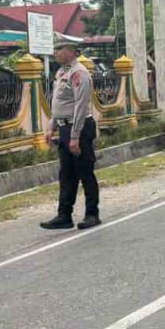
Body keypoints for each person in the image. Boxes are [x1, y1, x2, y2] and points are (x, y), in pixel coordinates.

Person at [41, 42, 100, 231]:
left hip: (79, 128)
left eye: (60, 49)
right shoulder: (61, 73)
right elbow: (57, 103)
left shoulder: (79, 73)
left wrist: (75, 136)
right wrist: (51, 127)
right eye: (55, 49)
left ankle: (92, 214)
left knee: (84, 172)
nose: (56, 52)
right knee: (66, 174)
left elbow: (81, 106)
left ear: (72, 52)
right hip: (64, 127)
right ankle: (64, 215)